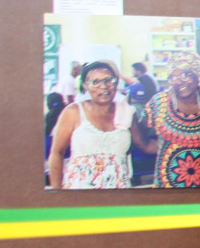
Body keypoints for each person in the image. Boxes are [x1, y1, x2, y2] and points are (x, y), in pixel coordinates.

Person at [137, 55, 200, 188]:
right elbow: (140, 132)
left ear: (197, 75)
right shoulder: (159, 103)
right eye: (173, 77)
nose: (180, 81)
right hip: (167, 185)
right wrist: (155, 147)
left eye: (185, 75)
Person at [48, 60, 135, 189]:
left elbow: (144, 145)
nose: (103, 86)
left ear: (116, 83)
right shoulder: (73, 112)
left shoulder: (126, 112)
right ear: (85, 86)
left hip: (119, 190)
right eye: (95, 82)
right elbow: (57, 153)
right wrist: (56, 194)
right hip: (80, 190)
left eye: (108, 80)